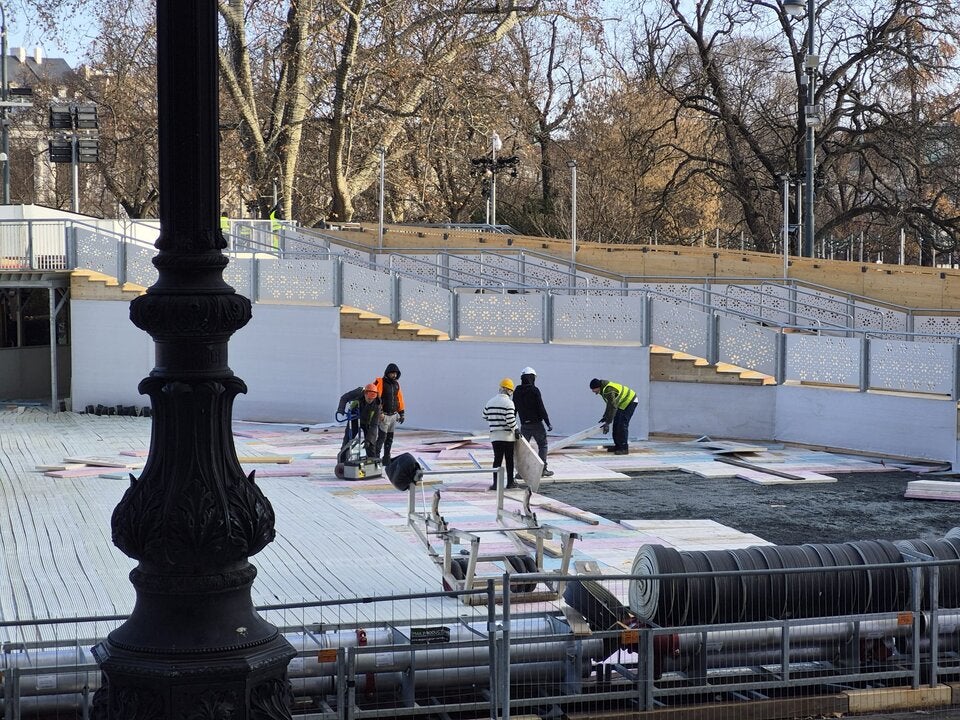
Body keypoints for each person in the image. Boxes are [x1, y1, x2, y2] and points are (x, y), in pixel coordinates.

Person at [512, 366, 554, 477]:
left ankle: (520, 473)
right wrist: (548, 422)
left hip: (524, 425)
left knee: (523, 449)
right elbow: (541, 407)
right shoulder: (534, 390)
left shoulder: (517, 391)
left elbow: (514, 409)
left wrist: (513, 425)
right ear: (532, 378)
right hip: (537, 425)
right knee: (543, 445)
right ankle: (542, 470)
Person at [483, 378, 519, 490]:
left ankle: (496, 484)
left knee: (497, 459)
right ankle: (510, 483)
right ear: (509, 390)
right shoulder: (509, 403)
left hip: (495, 437)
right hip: (507, 437)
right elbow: (510, 420)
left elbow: (484, 415)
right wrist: (516, 429)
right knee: (509, 460)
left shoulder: (490, 401)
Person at [589, 378, 638, 455]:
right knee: (616, 425)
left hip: (630, 401)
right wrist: (605, 417)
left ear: (598, 387)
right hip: (622, 404)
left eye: (593, 389)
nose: (593, 391)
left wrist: (608, 422)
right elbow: (609, 405)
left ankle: (624, 448)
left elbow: (613, 406)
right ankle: (618, 446)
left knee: (622, 425)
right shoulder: (603, 390)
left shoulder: (609, 390)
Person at [336, 383, 382, 463]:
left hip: (368, 422)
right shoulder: (358, 392)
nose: (370, 401)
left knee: (370, 444)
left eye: (372, 399)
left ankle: (372, 464)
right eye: (368, 399)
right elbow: (344, 398)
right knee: (348, 440)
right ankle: (342, 462)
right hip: (354, 418)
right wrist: (341, 409)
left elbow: (374, 425)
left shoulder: (377, 405)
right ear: (365, 394)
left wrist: (369, 440)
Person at [374, 363, 405, 465]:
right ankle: (376, 459)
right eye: (392, 373)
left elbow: (399, 399)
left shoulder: (396, 384)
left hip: (393, 416)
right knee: (381, 438)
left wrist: (402, 413)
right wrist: (380, 412)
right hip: (384, 416)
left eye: (396, 373)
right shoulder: (381, 382)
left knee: (390, 439)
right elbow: (376, 399)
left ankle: (386, 458)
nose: (394, 375)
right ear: (387, 373)